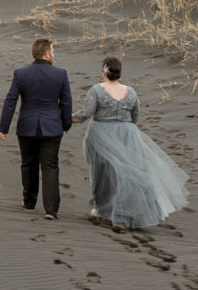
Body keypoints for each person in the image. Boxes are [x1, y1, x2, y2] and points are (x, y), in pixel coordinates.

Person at [71, 56, 189, 229]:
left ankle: (102, 211)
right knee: (128, 173)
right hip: (127, 134)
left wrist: (69, 119)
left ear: (104, 71)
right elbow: (136, 116)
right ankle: (124, 214)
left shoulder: (96, 90)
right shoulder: (131, 91)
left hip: (101, 133)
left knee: (102, 175)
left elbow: (86, 113)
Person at [0, 38, 73, 219]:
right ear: (47, 54)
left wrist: (4, 126)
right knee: (50, 166)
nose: (54, 54)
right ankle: (51, 209)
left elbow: (11, 100)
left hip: (27, 126)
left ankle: (29, 202)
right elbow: (66, 101)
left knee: (28, 164)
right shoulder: (61, 74)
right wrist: (66, 124)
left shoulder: (21, 73)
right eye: (53, 51)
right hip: (52, 127)